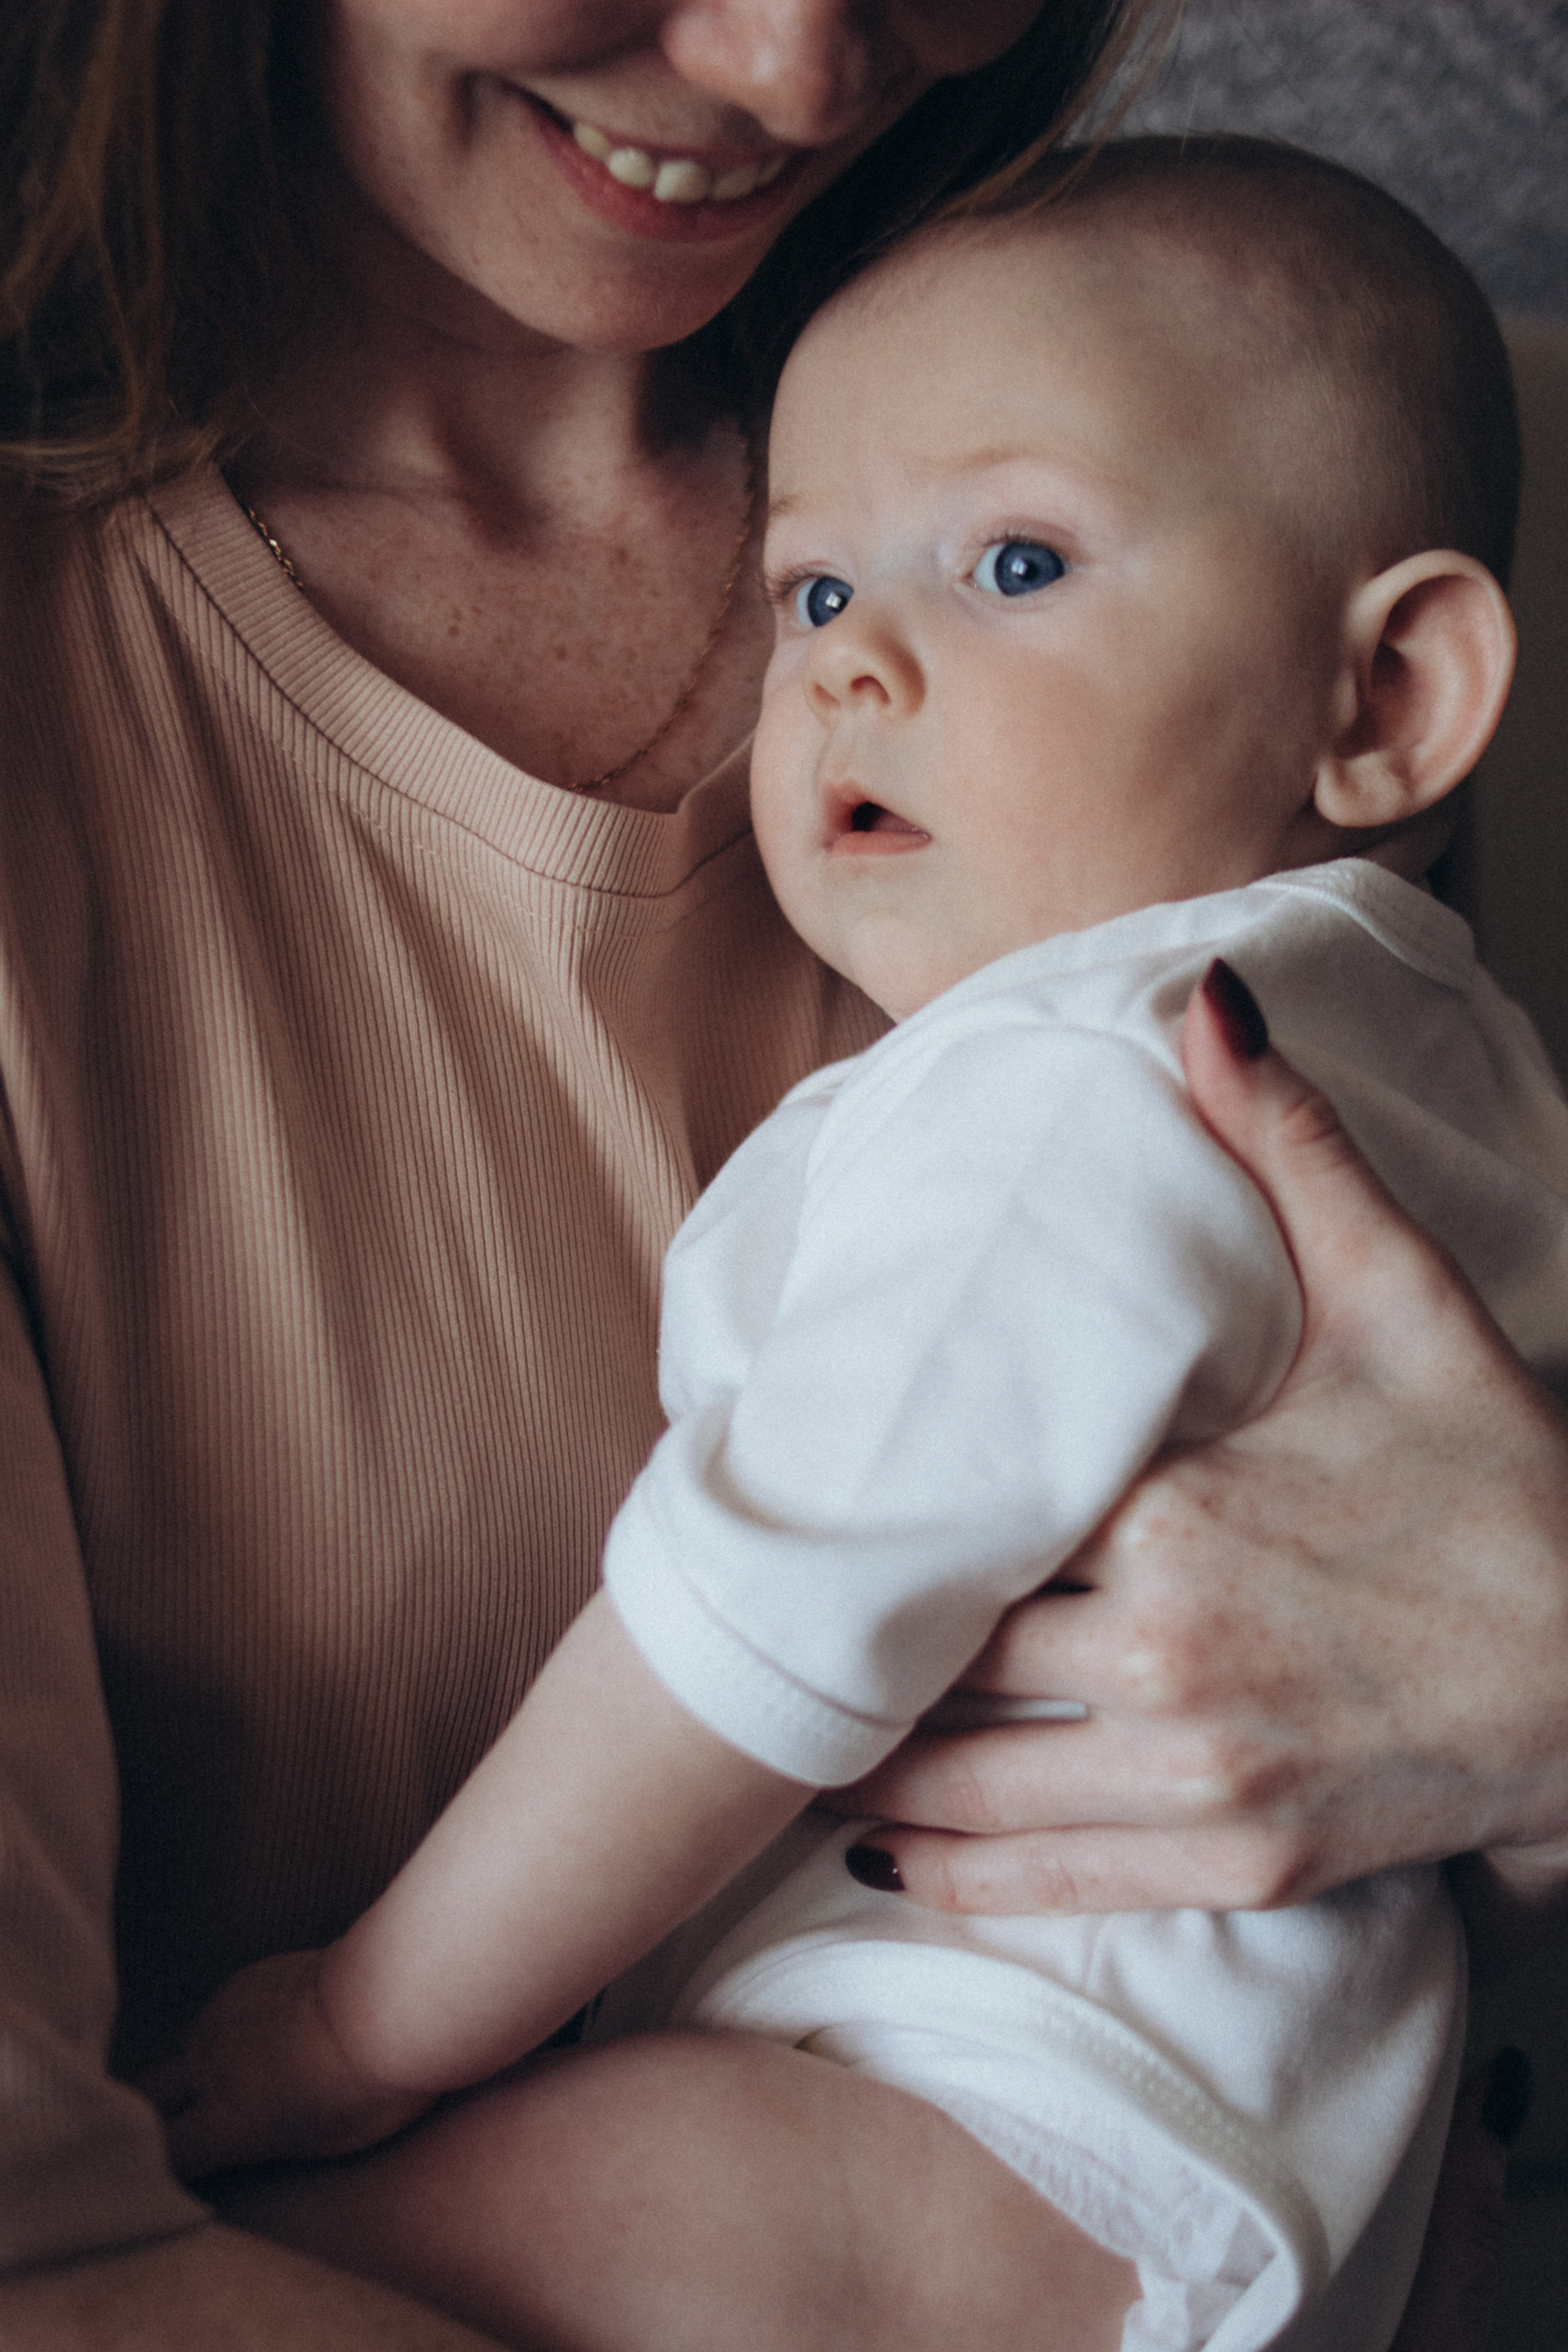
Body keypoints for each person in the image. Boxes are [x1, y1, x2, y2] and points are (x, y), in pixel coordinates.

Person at [0, 1, 1562, 2345]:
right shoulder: (1248, 870)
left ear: (1397, 701)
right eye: (813, 595)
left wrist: (353, 2028)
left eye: (1013, 563)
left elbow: (772, 1609)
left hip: (1014, 2110)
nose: (795, 65)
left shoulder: (1108, 1027)